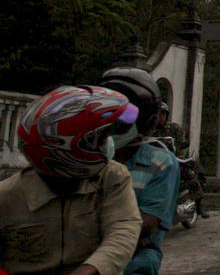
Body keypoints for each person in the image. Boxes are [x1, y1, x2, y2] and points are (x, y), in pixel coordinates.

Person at [0, 85, 142, 275]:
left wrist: (91, 269)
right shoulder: (7, 197)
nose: (108, 143)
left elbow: (124, 228)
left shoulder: (112, 176)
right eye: (99, 139)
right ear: (68, 148)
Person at [100, 68, 180, 275]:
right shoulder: (91, 156)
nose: (114, 121)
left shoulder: (160, 163)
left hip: (134, 263)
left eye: (124, 115)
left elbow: (147, 224)